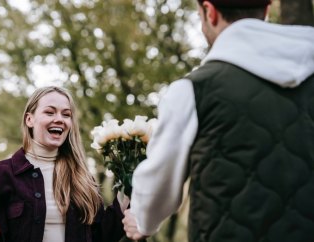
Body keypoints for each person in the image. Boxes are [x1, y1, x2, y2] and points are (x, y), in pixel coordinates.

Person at [122, 0, 314, 241]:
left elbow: (157, 189)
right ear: (266, 10)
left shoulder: (192, 90)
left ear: (210, 12)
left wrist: (141, 220)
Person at [0, 86, 129, 242]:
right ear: (29, 119)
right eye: (50, 112)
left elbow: (102, 235)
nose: (59, 119)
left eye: (66, 114)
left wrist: (129, 183)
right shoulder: (0, 174)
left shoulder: (83, 178)